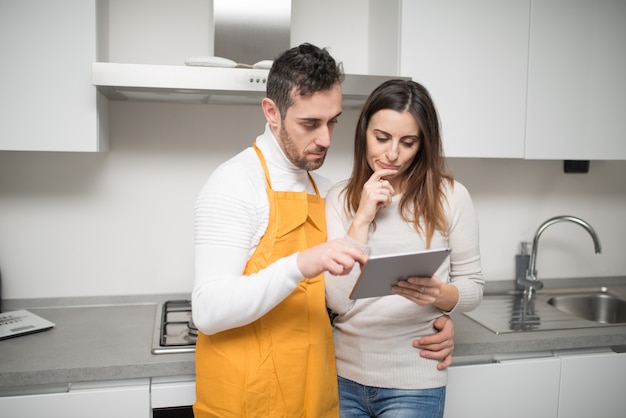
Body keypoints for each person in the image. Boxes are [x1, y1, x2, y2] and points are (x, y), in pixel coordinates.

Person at [191, 44, 456, 418]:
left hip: (312, 396)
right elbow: (207, 309)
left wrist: (439, 319)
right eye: (310, 124)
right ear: (272, 112)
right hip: (248, 401)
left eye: (333, 121)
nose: (326, 139)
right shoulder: (234, 184)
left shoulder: (323, 189)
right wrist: (300, 263)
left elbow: (339, 299)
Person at [324, 79, 484, 418]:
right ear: (364, 132)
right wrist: (363, 217)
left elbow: (474, 287)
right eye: (381, 138)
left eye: (407, 142)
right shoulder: (339, 198)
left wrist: (440, 295)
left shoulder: (451, 196)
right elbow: (337, 301)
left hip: (415, 381)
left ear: (422, 144)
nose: (392, 154)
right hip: (343, 377)